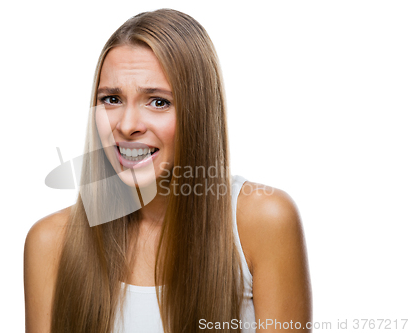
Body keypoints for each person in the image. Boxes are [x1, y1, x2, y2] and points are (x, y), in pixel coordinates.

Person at [24, 8, 312, 333]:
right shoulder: (50, 243)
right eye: (112, 99)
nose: (127, 125)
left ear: (198, 112)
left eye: (158, 102)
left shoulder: (262, 221)